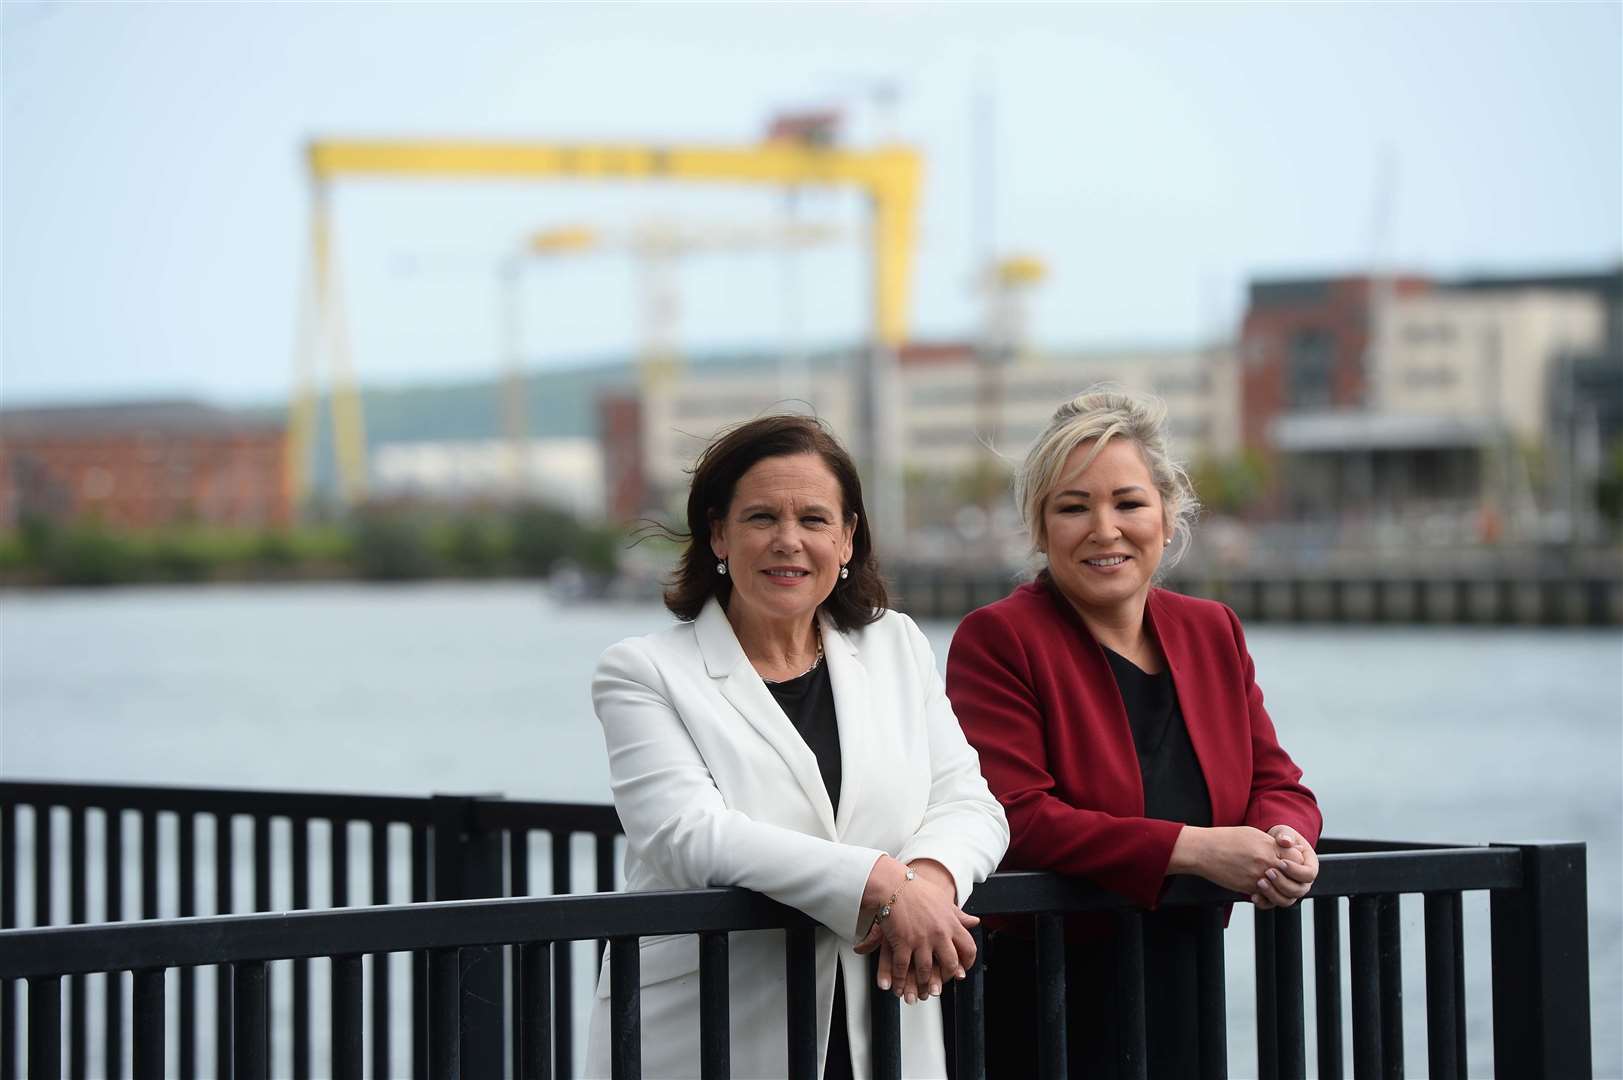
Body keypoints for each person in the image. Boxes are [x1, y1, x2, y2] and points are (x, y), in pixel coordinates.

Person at [586, 414, 1009, 1080]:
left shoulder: (894, 645)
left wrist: (928, 882)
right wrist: (882, 882)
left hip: (883, 1022)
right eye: (761, 518)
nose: (788, 541)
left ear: (846, 541)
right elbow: (688, 834)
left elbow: (969, 803)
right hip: (710, 1036)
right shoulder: (642, 670)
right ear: (718, 534)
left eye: (814, 520)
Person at [944, 388, 1322, 1078]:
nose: (1103, 527)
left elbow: (1277, 781)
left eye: (1127, 502)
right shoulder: (999, 639)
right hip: (1044, 995)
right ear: (1038, 527)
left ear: (1167, 515)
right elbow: (1015, 818)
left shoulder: (1211, 630)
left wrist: (1285, 841)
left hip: (1184, 977)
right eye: (1071, 507)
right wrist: (1195, 850)